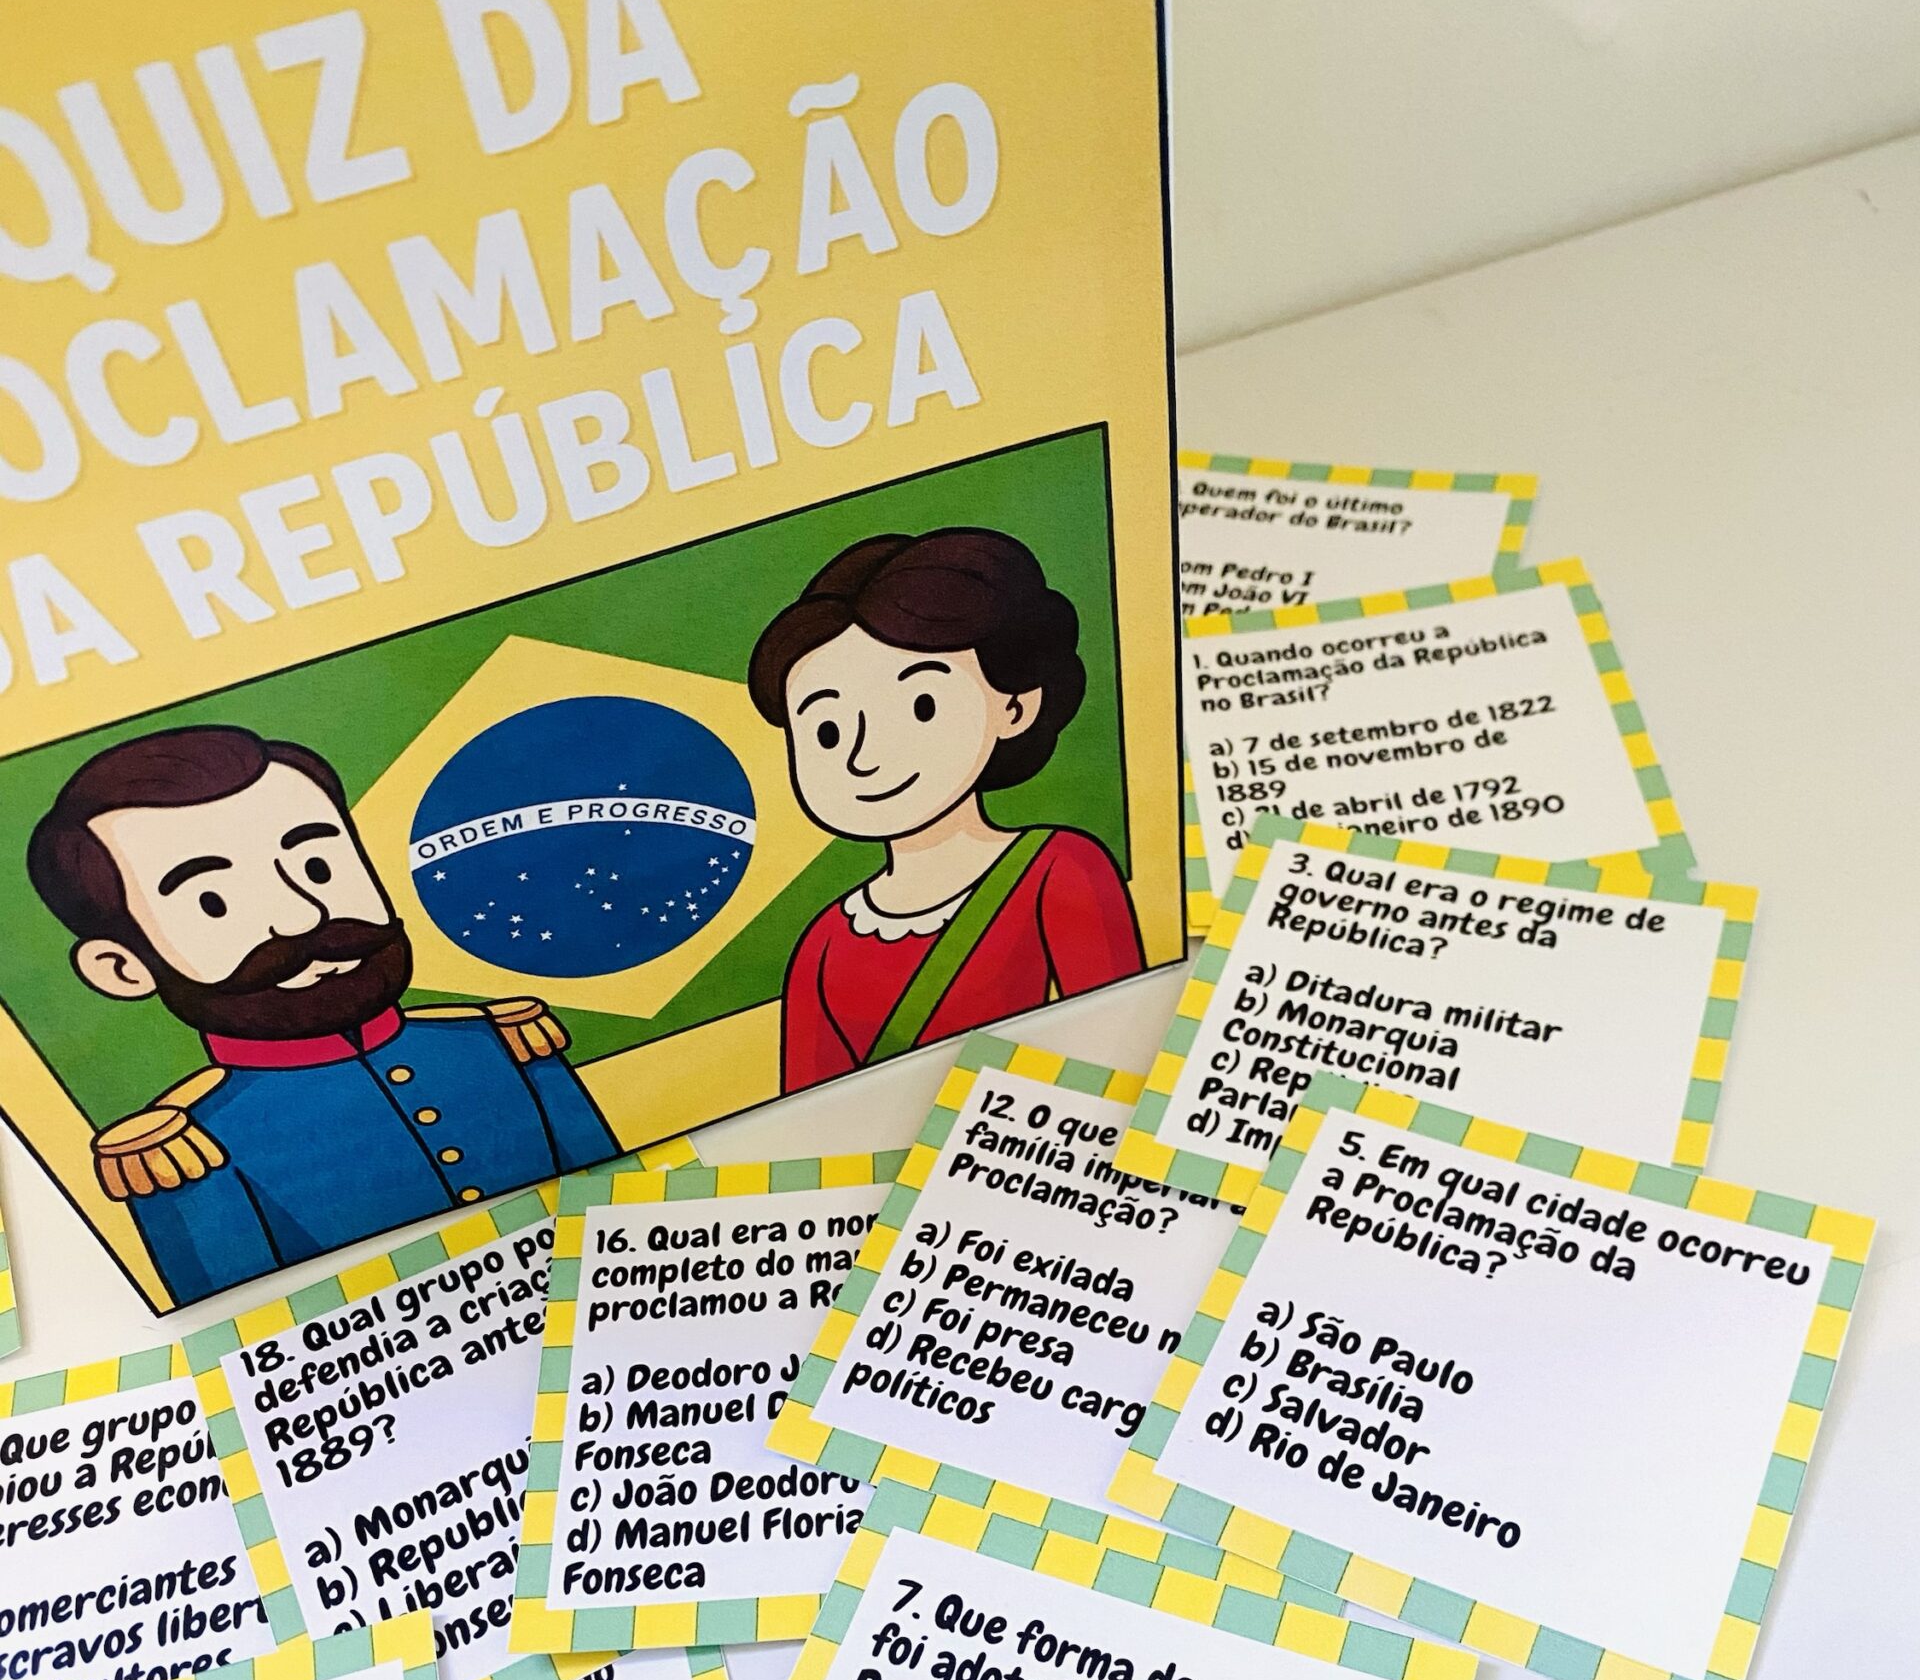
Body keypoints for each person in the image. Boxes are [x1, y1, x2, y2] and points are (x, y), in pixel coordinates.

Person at [28, 724, 617, 1304]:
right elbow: (250, 1314)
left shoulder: (501, 1043)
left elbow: (615, 1203)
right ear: (122, 968)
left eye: (318, 868)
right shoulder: (184, 1149)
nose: (304, 917)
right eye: (214, 903)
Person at [749, 528, 1144, 1087]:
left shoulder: (1058, 869)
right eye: (828, 730)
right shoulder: (825, 944)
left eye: (922, 705)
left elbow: (1120, 1040)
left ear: (1014, 707)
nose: (864, 756)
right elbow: (809, 1101)